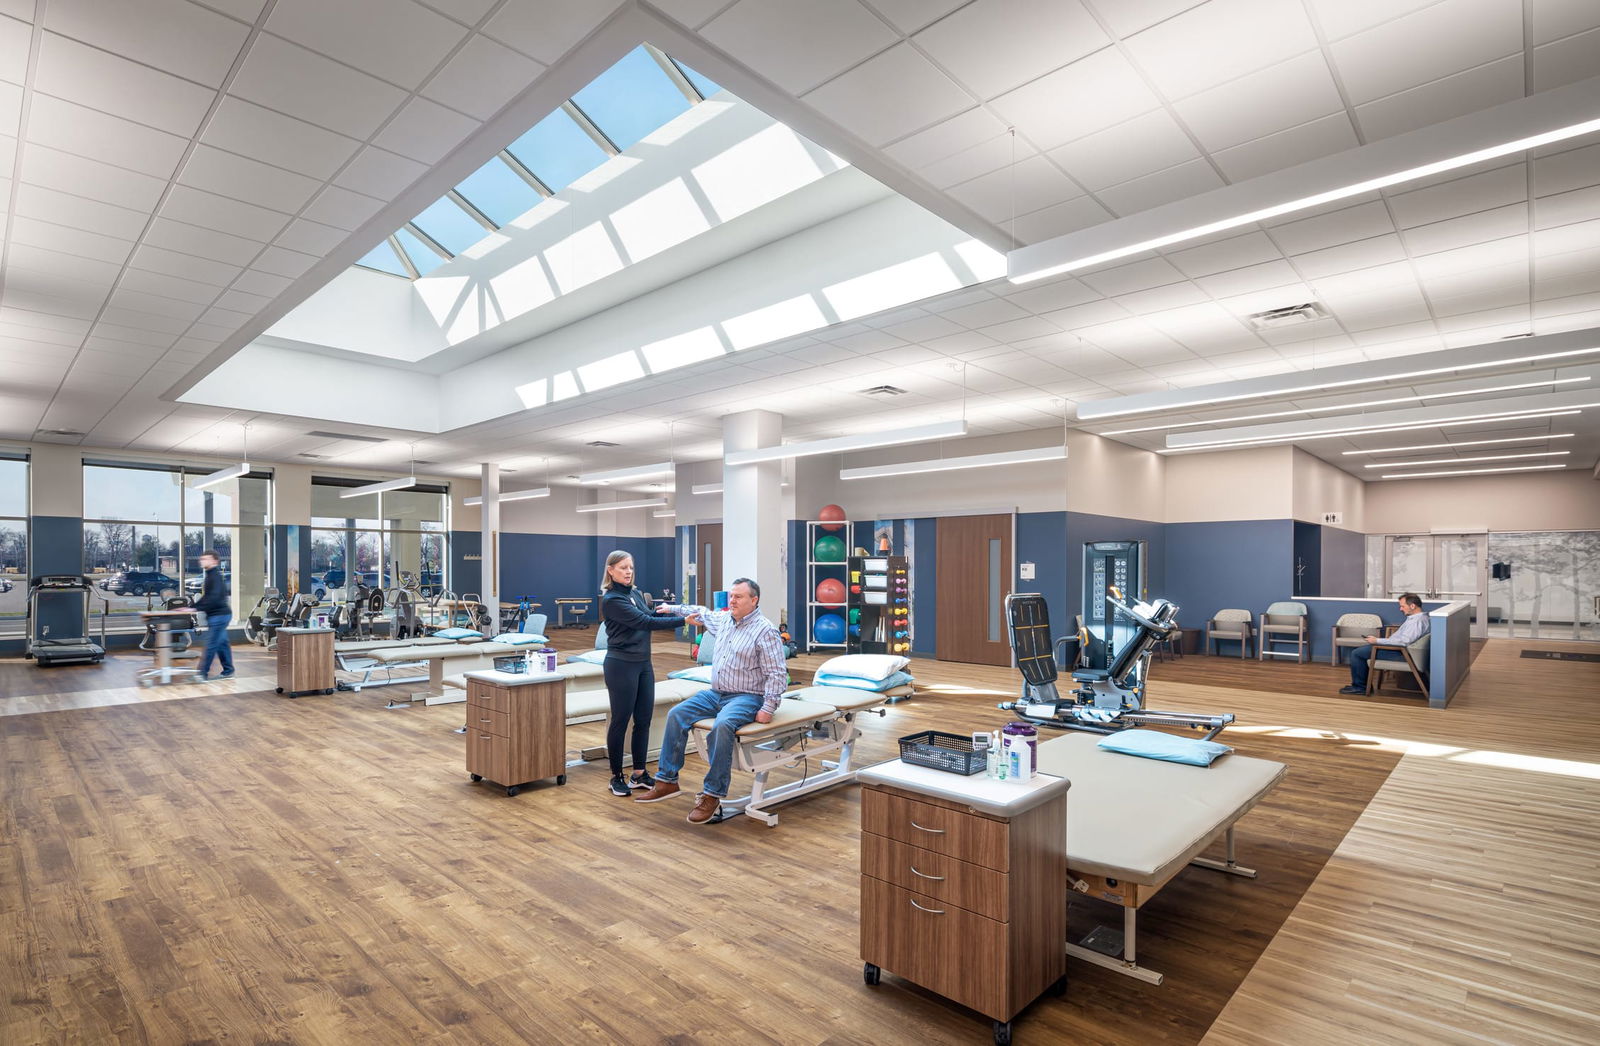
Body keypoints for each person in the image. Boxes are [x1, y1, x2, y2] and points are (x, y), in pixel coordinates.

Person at [635, 578, 787, 825]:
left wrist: (768, 707)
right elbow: (701, 612)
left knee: (723, 725)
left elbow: (777, 673)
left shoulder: (765, 630)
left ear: (754, 600)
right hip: (716, 693)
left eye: (738, 597)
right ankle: (667, 781)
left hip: (747, 696)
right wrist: (672, 609)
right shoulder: (725, 620)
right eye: (731, 596)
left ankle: (712, 793)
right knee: (677, 714)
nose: (732, 601)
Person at [599, 550, 684, 797]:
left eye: (631, 568)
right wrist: (684, 620)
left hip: (643, 664)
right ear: (611, 570)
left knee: (643, 720)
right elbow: (644, 623)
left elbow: (649, 615)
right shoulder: (612, 600)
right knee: (620, 720)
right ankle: (616, 775)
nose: (628, 572)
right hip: (621, 664)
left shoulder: (634, 593)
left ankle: (639, 773)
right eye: (623, 568)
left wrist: (674, 611)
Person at [1341, 592, 1428, 694]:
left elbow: (1404, 641)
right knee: (1362, 650)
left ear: (1412, 606)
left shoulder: (1416, 622)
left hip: (1401, 653)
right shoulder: (1421, 618)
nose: (1400, 609)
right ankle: (1361, 685)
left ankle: (1360, 688)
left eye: (1402, 606)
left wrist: (1377, 641)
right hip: (1398, 650)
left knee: (1357, 653)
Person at [194, 550, 234, 681]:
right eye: (202, 558)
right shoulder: (210, 576)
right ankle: (228, 670)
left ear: (215, 561)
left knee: (211, 644)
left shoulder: (214, 576)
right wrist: (191, 607)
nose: (203, 561)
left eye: (206, 558)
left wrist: (196, 608)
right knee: (222, 643)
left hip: (219, 616)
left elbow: (213, 598)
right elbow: (207, 597)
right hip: (219, 615)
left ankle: (202, 674)